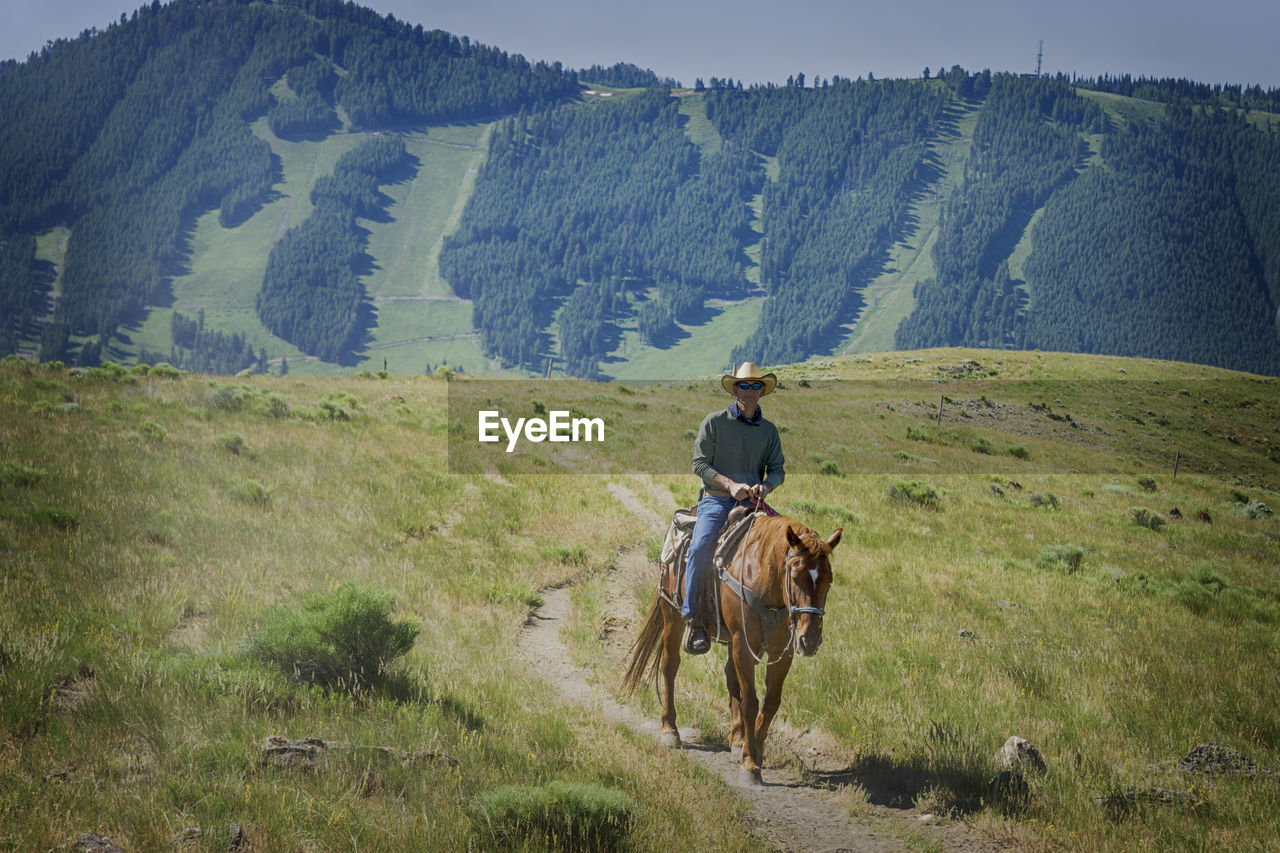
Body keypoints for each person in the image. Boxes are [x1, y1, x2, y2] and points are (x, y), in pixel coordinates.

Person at [681, 362, 786, 654]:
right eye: (743, 385)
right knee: (700, 548)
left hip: (753, 502)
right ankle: (693, 619)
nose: (749, 391)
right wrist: (729, 485)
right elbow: (699, 463)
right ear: (735, 388)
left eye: (755, 386)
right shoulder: (714, 422)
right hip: (717, 499)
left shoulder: (769, 431)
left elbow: (777, 469)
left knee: (785, 551)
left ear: (762, 391)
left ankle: (780, 618)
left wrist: (766, 486)